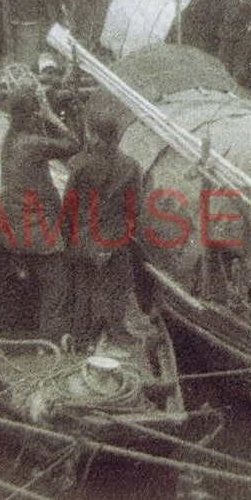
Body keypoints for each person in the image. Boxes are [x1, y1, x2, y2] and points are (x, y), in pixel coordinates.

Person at [0, 90, 79, 342]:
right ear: (31, 114)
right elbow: (74, 145)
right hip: (39, 230)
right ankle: (50, 342)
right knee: (56, 287)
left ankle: (31, 335)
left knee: (33, 283)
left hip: (16, 227)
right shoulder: (32, 144)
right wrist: (52, 117)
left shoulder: (10, 142)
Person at [66, 113, 143, 347]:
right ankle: (116, 333)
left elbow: (68, 206)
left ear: (97, 138)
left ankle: (81, 338)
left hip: (84, 240)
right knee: (119, 286)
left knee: (83, 288)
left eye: (91, 134)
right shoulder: (131, 166)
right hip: (114, 240)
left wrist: (70, 238)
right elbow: (135, 208)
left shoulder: (80, 164)